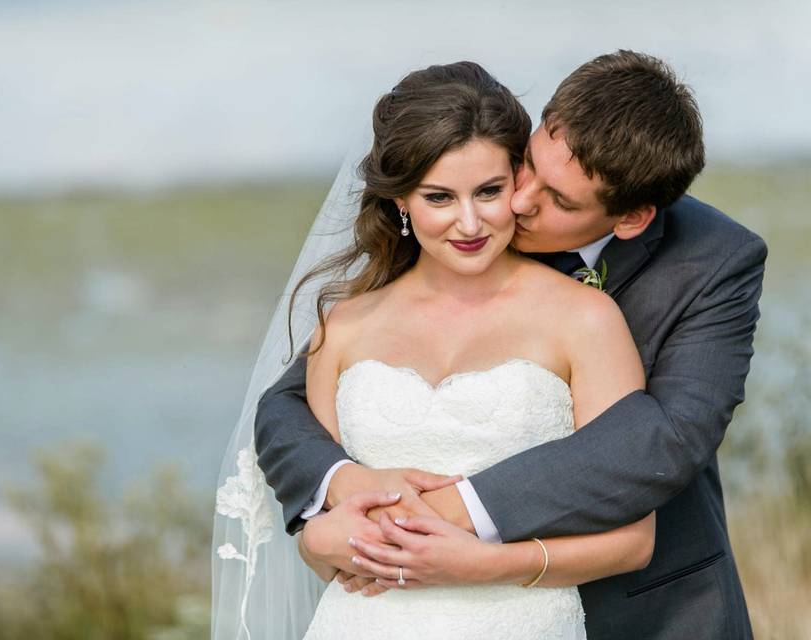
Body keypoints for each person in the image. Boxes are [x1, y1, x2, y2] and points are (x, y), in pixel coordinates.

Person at [253, 51, 766, 640]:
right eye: (528, 168)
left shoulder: (711, 264)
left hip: (647, 611)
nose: (516, 205)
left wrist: (441, 518)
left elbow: (663, 439)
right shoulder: (441, 244)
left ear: (630, 219)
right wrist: (339, 493)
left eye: (561, 201)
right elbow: (286, 403)